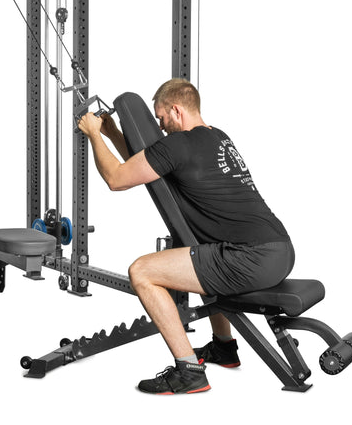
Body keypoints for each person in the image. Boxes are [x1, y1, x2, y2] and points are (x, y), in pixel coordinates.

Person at [77, 78, 294, 395]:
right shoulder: (217, 138)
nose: (160, 127)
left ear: (175, 110)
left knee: (143, 271)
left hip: (249, 259)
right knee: (202, 251)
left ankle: (189, 372)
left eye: (161, 118)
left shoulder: (178, 145)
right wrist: (112, 133)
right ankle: (224, 347)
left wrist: (94, 134)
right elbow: (152, 165)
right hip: (280, 251)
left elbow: (117, 178)